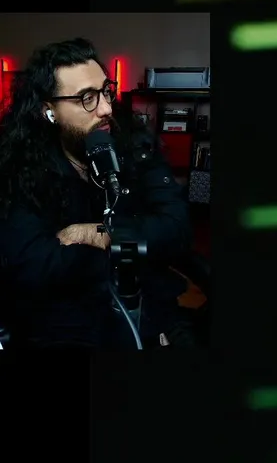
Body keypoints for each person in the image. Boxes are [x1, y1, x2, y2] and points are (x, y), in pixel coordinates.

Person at [0, 38, 193, 349]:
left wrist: (97, 234)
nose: (106, 108)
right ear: (49, 110)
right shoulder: (20, 167)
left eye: (105, 91)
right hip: (62, 323)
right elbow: (33, 263)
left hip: (148, 308)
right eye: (86, 98)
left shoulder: (135, 144)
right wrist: (132, 248)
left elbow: (176, 228)